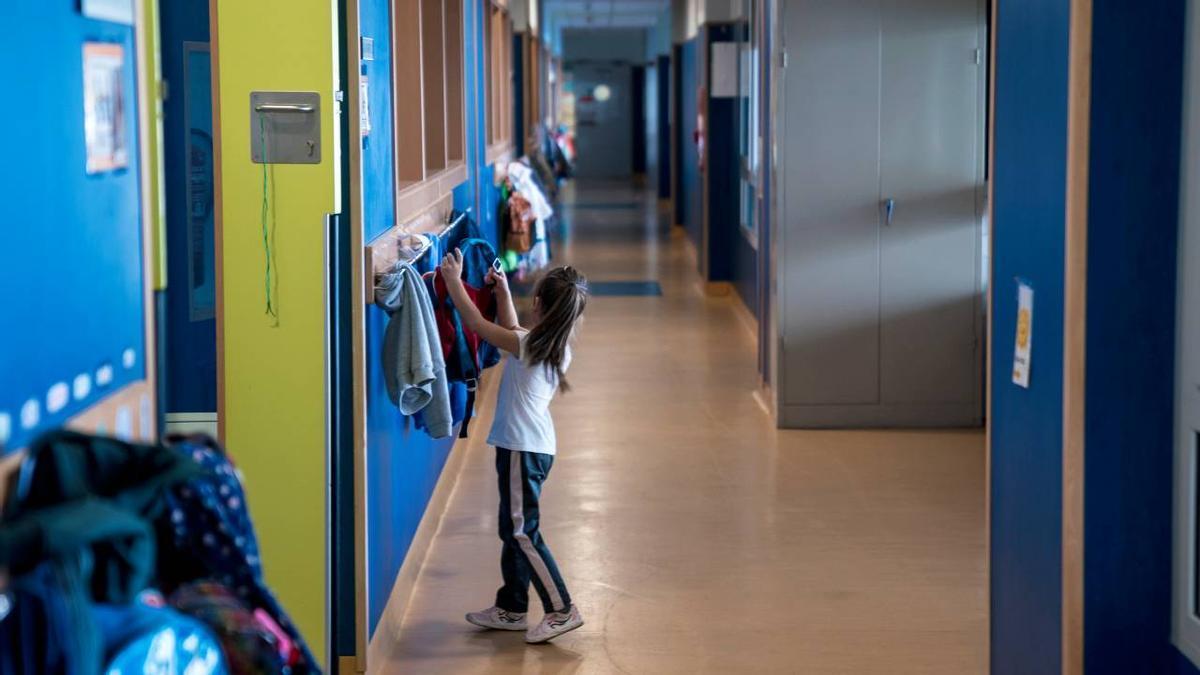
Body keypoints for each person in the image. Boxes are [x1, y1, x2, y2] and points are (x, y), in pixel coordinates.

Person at [438, 251, 590, 644]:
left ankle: (561, 609)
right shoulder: (548, 344)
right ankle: (513, 607)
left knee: (524, 532)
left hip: (524, 450)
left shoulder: (531, 346)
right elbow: (511, 329)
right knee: (512, 529)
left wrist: (453, 280)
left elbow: (477, 323)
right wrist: (503, 290)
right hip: (527, 447)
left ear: (539, 304)